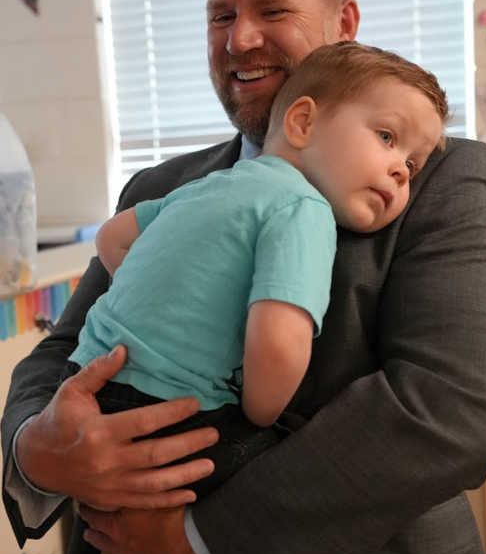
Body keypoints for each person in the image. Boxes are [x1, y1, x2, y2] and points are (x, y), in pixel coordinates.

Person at [0, 0, 486, 554]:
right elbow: (63, 350)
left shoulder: (435, 178)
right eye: (220, 15)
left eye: (271, 10)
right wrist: (37, 447)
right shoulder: (161, 185)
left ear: (344, 21)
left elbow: (449, 406)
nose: (238, 38)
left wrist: (201, 542)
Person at [62, 41, 447, 501]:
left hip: (84, 385)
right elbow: (279, 344)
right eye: (386, 136)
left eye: (411, 163)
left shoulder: (209, 186)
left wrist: (172, 296)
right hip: (171, 412)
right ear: (303, 122)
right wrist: (258, 414)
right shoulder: (304, 208)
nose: (402, 172)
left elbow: (112, 238)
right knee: (296, 477)